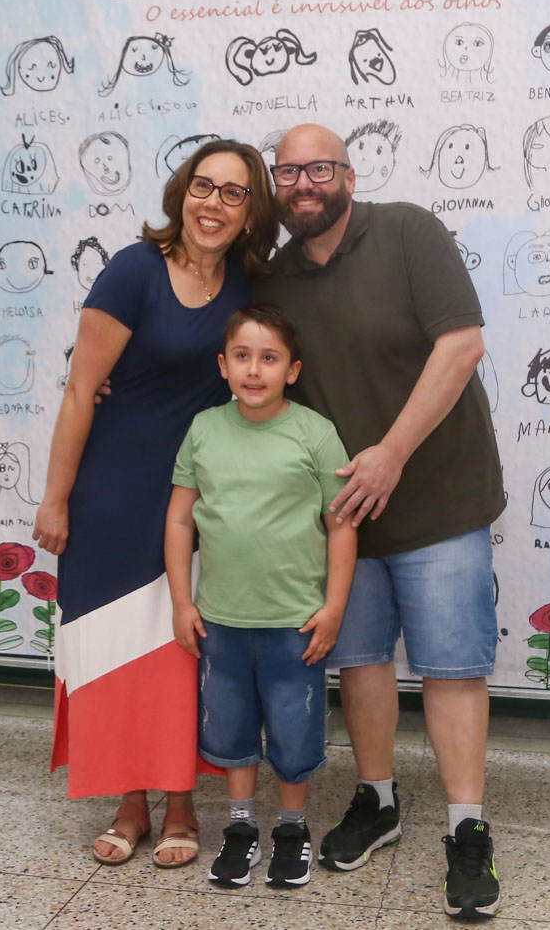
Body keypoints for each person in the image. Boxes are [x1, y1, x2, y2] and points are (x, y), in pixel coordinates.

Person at [257, 124, 506, 919]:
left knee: (451, 667)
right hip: (346, 512)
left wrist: (391, 453)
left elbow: (461, 346)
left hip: (440, 498)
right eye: (287, 172)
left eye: (318, 168)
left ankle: (466, 828)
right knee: (359, 662)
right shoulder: (274, 278)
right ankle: (378, 801)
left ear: (348, 174)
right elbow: (245, 369)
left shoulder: (407, 231)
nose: (303, 184)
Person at [33, 140, 278, 869]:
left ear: (250, 212)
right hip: (113, 490)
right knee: (114, 650)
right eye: (204, 186)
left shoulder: (250, 283)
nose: (214, 203)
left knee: (183, 652)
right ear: (181, 192)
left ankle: (181, 804)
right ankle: (130, 802)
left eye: (234, 192)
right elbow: (82, 389)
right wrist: (55, 499)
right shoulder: (133, 270)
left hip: (202, 497)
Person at [164, 304, 357, 889]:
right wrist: (182, 603)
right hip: (219, 622)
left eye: (269, 358)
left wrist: (334, 608)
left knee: (294, 733)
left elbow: (341, 525)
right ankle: (241, 827)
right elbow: (180, 521)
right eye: (242, 356)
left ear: (292, 370)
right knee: (231, 730)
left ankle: (293, 829)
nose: (254, 370)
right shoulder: (204, 429)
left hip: (295, 625)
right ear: (223, 365)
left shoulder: (316, 433)